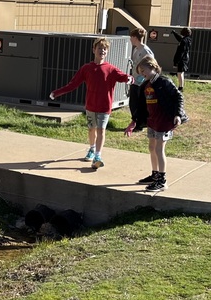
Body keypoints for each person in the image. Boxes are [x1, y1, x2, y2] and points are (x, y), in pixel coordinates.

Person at [49, 37, 132, 169]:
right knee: (91, 129)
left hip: (105, 107)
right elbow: (73, 84)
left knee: (101, 130)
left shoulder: (111, 69)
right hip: (91, 106)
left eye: (104, 49)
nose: (102, 51)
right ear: (94, 50)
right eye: (99, 48)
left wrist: (131, 79)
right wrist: (57, 93)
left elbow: (124, 77)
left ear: (107, 52)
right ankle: (92, 149)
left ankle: (98, 156)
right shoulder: (86, 68)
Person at [125, 55, 184, 192]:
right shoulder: (145, 85)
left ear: (152, 67)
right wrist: (134, 122)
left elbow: (178, 97)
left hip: (164, 121)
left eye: (143, 70)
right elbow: (141, 107)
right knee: (152, 147)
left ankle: (162, 181)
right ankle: (155, 174)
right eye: (140, 72)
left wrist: (178, 115)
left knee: (159, 149)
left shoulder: (164, 82)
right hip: (153, 121)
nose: (142, 74)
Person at [170, 27, 192, 91]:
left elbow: (180, 52)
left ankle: (180, 87)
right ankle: (181, 86)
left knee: (180, 73)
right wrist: (174, 33)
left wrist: (176, 61)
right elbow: (180, 38)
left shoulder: (183, 41)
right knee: (181, 72)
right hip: (185, 58)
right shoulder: (187, 40)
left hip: (182, 59)